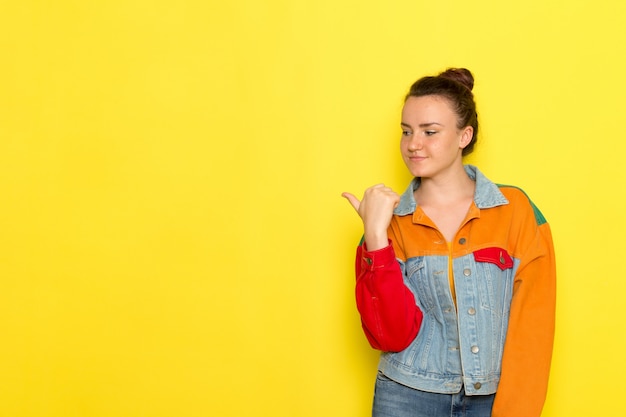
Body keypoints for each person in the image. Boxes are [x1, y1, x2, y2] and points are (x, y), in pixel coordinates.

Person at [342, 68, 556, 417]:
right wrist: (375, 239)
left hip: (491, 397)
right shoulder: (386, 222)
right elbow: (389, 336)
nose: (413, 143)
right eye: (407, 131)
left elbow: (534, 326)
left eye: (430, 131)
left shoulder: (515, 211)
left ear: (463, 136)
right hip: (406, 397)